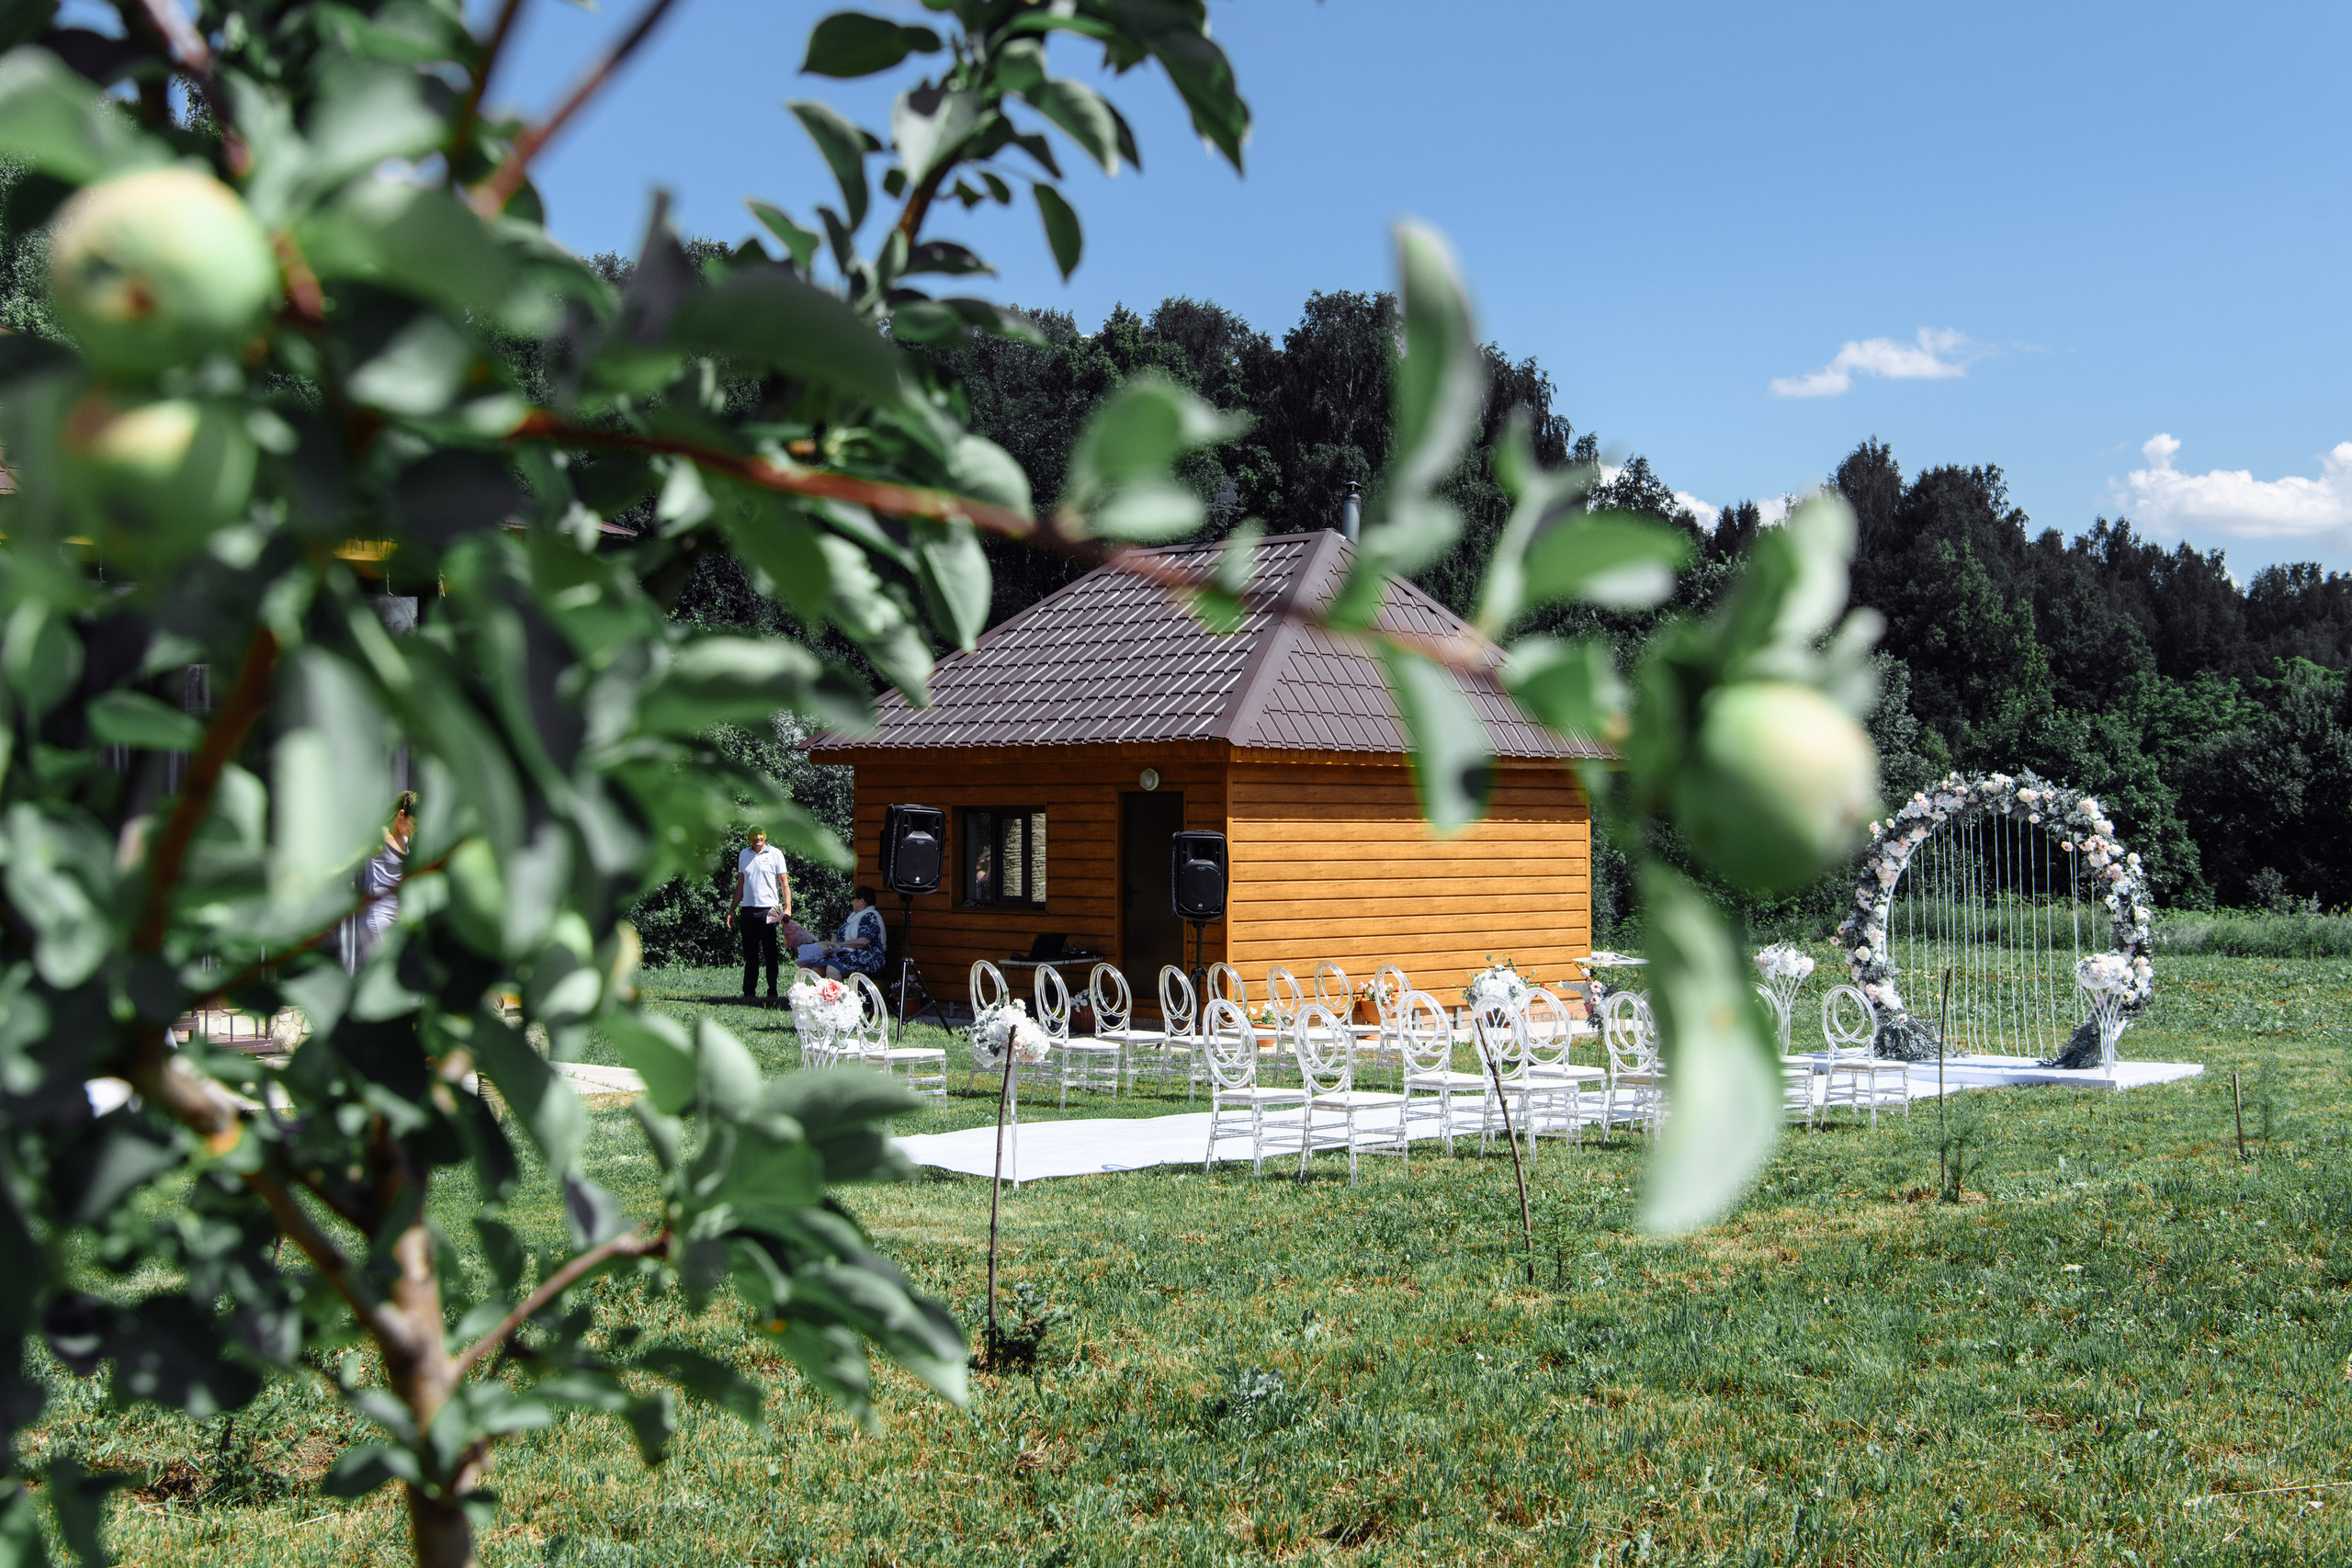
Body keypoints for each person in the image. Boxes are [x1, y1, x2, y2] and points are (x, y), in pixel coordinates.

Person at [726, 827, 791, 1000]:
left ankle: (772, 991)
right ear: (749, 837)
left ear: (766, 836)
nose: (758, 838)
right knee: (750, 953)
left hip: (770, 908)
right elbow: (740, 885)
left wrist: (787, 908)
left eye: (761, 834)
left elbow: (784, 884)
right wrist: (732, 909)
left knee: (770, 952)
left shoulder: (776, 854)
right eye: (754, 835)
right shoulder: (743, 855)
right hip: (748, 908)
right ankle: (749, 992)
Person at [353, 791, 416, 967]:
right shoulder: (390, 839)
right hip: (381, 917)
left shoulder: (380, 836)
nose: (412, 827)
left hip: (377, 915)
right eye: (412, 822)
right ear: (401, 815)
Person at [797, 886, 887, 980]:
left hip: (868, 957)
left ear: (862, 901)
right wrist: (831, 947)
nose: (851, 902)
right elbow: (837, 934)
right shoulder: (853, 917)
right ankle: (822, 994)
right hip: (849, 954)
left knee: (833, 969)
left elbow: (864, 941)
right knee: (817, 968)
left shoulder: (870, 917)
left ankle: (840, 994)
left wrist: (840, 945)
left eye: (853, 898)